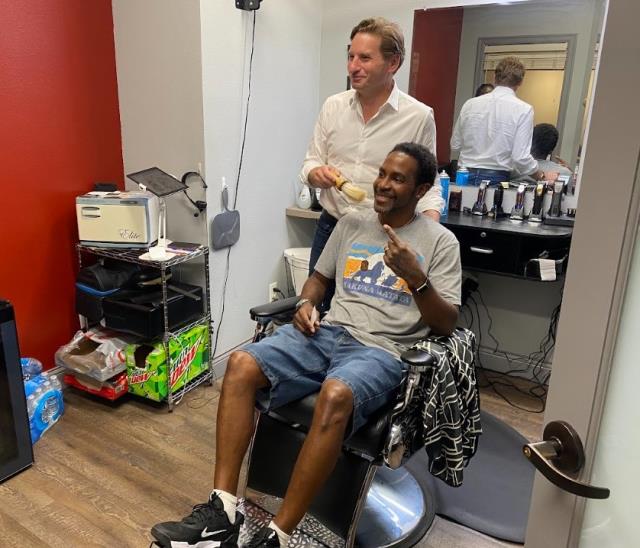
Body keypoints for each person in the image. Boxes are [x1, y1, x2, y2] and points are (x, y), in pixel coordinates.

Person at [150, 143, 461, 548]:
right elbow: (318, 279)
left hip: (382, 349)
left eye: (397, 179)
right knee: (240, 365)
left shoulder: (440, 242)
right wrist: (306, 303)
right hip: (327, 333)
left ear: (420, 190)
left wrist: (416, 278)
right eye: (382, 173)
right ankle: (222, 511)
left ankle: (279, 534)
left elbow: (445, 323)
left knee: (335, 393)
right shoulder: (352, 223)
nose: (383, 184)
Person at [301, 17, 444, 310]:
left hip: (384, 234)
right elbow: (311, 162)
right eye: (350, 56)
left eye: (365, 58)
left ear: (393, 63)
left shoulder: (417, 116)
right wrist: (316, 173)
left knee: (375, 320)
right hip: (333, 226)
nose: (353, 66)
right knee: (314, 312)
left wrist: (428, 237)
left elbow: (429, 185)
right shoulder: (333, 106)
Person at [450, 56, 545, 185]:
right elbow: (520, 158)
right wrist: (541, 175)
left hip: (463, 174)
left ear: (495, 77)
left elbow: (455, 145)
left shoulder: (470, 104)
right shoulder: (524, 110)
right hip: (496, 177)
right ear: (520, 82)